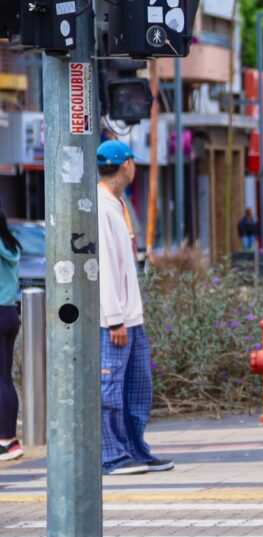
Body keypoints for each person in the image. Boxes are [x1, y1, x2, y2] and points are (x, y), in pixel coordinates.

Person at [97, 140, 174, 476]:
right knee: (111, 389)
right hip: (115, 320)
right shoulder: (99, 207)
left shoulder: (118, 203)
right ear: (126, 164)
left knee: (137, 387)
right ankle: (111, 455)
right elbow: (102, 268)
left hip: (131, 317)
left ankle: (134, 449)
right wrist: (114, 320)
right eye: (133, 162)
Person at [0, 209, 21, 462]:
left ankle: (5, 440)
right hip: (10, 313)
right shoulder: (10, 242)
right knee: (5, 378)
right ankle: (10, 438)